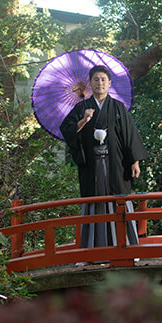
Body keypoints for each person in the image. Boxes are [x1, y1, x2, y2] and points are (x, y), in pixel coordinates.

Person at [60, 65, 147, 248]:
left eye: (103, 79)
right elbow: (66, 130)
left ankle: (126, 245)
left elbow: (129, 135)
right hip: (92, 163)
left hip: (117, 162)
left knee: (120, 199)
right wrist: (83, 120)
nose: (99, 83)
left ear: (109, 83)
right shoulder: (82, 107)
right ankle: (92, 248)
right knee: (94, 200)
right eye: (95, 79)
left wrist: (135, 161)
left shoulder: (117, 107)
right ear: (90, 84)